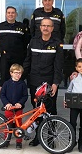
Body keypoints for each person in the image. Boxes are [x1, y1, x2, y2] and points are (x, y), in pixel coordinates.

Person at [23, 18, 64, 146]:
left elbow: (59, 66)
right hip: (34, 81)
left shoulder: (57, 44)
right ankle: (38, 137)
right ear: (40, 27)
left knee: (50, 111)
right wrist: (21, 77)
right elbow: (27, 62)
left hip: (49, 83)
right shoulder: (33, 42)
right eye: (43, 25)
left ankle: (51, 138)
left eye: (48, 26)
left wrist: (56, 83)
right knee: (37, 110)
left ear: (52, 28)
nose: (45, 28)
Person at [0, 64, 28, 150]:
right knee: (8, 124)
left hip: (18, 108)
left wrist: (20, 103)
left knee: (18, 125)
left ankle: (18, 142)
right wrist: (6, 103)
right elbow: (2, 95)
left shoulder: (22, 84)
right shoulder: (6, 83)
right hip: (9, 108)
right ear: (11, 73)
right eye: (16, 73)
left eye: (20, 73)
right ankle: (6, 140)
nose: (18, 75)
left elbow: (25, 96)